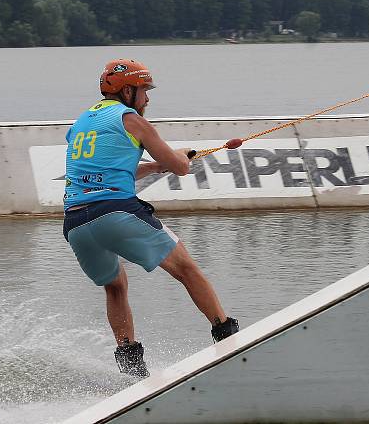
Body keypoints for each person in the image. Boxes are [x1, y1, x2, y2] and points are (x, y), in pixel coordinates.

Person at [62, 58, 239, 379]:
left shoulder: (81, 123)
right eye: (144, 90)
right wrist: (179, 158)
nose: (148, 98)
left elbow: (113, 169)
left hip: (75, 224)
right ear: (127, 90)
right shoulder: (132, 120)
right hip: (115, 213)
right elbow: (181, 167)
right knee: (185, 268)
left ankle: (130, 362)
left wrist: (157, 166)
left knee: (115, 286)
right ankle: (227, 332)